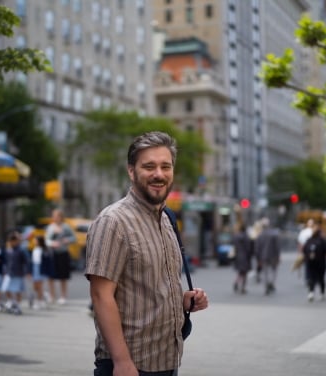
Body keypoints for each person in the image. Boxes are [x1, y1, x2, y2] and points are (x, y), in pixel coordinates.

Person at [85, 131, 209, 375]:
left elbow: (150, 284)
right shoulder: (114, 221)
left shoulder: (167, 219)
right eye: (149, 166)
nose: (159, 174)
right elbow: (101, 296)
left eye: (166, 166)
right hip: (130, 365)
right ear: (131, 171)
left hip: (167, 361)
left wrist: (181, 300)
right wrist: (122, 362)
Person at [45, 209, 76, 305]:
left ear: (61, 217)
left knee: (63, 276)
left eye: (57, 216)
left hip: (63, 253)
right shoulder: (50, 227)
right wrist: (52, 243)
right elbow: (46, 240)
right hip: (53, 254)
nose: (55, 218)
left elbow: (73, 238)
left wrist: (67, 240)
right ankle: (52, 295)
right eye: (54, 216)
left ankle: (63, 296)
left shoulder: (66, 227)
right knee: (51, 276)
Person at [1, 231, 30, 315]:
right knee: (5, 288)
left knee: (18, 290)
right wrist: (4, 271)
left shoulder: (21, 250)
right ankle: (11, 301)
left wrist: (28, 272)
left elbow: (26, 261)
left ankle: (18, 306)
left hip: (18, 273)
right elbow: (6, 262)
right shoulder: (8, 250)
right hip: (9, 273)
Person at [303, 224, 326, 302]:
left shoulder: (309, 240)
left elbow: (304, 251)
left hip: (311, 263)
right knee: (321, 278)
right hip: (321, 263)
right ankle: (322, 293)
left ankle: (311, 293)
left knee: (312, 278)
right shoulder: (322, 240)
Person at [254, 217, 281, 295]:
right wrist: (278, 256)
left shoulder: (260, 235)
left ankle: (266, 285)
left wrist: (258, 258)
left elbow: (257, 248)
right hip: (273, 256)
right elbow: (277, 246)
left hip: (263, 256)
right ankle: (271, 283)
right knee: (274, 270)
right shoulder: (274, 234)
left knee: (265, 272)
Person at [232, 223, 252, 294]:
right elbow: (248, 248)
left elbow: (233, 246)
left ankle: (236, 282)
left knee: (240, 272)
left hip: (237, 256)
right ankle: (243, 288)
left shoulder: (236, 236)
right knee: (244, 273)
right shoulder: (246, 237)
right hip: (245, 257)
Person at [30, 236, 49, 310]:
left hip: (41, 269)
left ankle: (39, 301)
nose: (35, 242)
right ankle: (43, 295)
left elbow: (46, 261)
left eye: (36, 240)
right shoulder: (34, 249)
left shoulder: (44, 250)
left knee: (39, 286)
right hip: (35, 268)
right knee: (35, 286)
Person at [297, 218, 315, 284]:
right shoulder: (312, 231)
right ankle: (310, 277)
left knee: (308, 265)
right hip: (310, 251)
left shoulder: (304, 232)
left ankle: (308, 278)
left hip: (307, 251)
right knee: (311, 264)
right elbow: (300, 243)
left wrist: (299, 252)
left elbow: (300, 243)